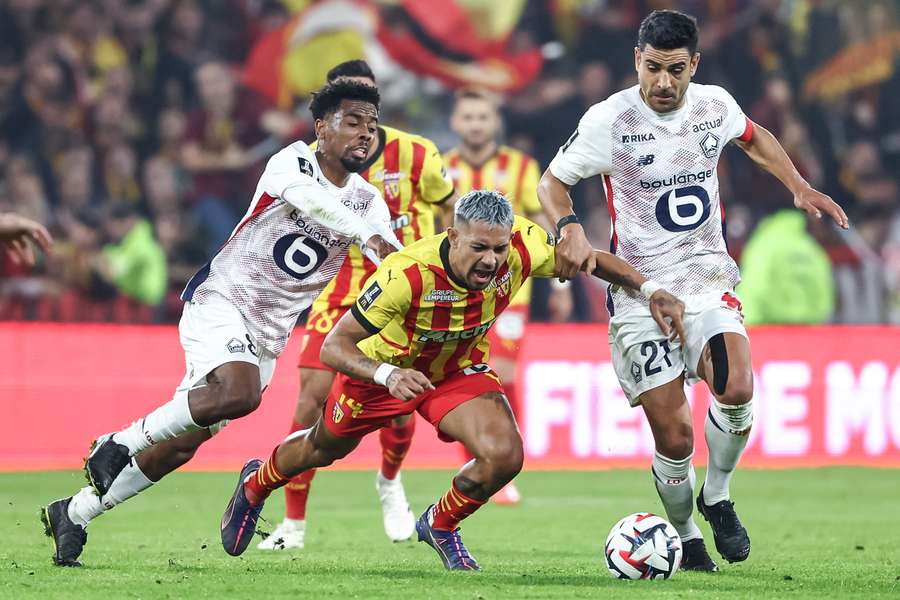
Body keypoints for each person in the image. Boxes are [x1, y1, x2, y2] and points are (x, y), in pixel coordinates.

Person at [219, 190, 688, 569]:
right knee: (325, 447)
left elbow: (590, 258)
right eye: (479, 248)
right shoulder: (406, 274)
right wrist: (387, 373)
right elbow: (333, 347)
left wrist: (650, 290)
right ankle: (257, 483)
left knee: (505, 455)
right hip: (385, 374)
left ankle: (440, 524)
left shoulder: (523, 246)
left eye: (499, 249)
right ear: (453, 236)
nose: (490, 260)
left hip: (455, 370)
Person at [40, 79, 401, 567]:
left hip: (270, 334)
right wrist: (367, 237)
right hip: (222, 300)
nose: (365, 134)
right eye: (353, 122)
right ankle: (118, 442)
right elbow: (316, 205)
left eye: (372, 126)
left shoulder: (370, 203)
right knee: (240, 394)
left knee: (181, 445)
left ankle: (74, 513)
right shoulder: (291, 161)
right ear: (322, 127)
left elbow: (393, 260)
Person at [537, 9, 849, 572]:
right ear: (637, 59)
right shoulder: (610, 121)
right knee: (676, 437)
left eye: (675, 70)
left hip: (706, 279)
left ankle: (718, 496)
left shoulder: (715, 105)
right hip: (638, 295)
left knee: (736, 387)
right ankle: (683, 533)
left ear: (694, 66)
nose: (662, 83)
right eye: (652, 68)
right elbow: (553, 181)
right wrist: (568, 227)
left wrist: (800, 186)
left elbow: (754, 139)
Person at [260, 60, 456, 552]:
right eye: (351, 108)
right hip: (339, 286)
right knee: (310, 400)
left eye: (370, 108)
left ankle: (390, 482)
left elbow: (448, 206)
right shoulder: (310, 159)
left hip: (401, 286)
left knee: (398, 403)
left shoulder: (419, 152)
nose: (363, 119)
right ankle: (293, 523)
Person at [442, 88, 571, 505]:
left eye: (483, 116)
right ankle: (478, 462)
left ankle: (497, 459)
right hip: (452, 292)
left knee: (503, 376)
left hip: (509, 292)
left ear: (495, 121)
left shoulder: (521, 166)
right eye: (469, 116)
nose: (476, 123)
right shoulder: (442, 170)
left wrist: (558, 284)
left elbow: (538, 228)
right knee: (462, 375)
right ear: (455, 122)